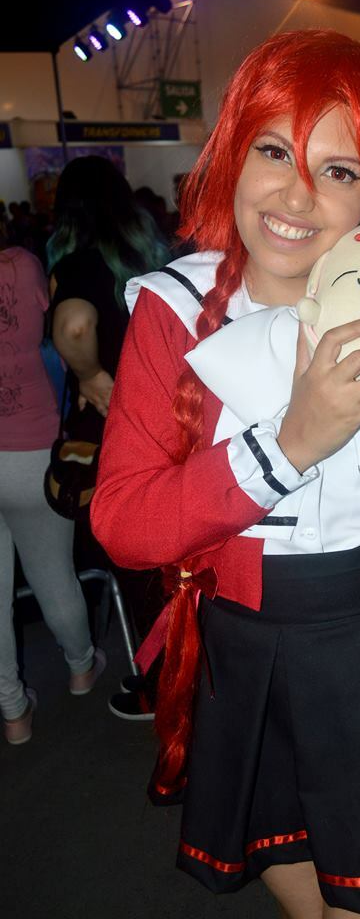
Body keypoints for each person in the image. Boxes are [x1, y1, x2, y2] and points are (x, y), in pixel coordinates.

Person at [91, 30, 360, 918]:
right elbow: (124, 523)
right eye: (273, 152)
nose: (295, 194)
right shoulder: (175, 309)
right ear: (230, 156)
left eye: (338, 169)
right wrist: (290, 444)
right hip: (249, 656)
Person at [49, 156, 169, 719]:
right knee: (174, 550)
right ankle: (188, 671)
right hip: (167, 415)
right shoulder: (155, 256)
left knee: (135, 555)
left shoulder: (79, 263)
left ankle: (163, 685)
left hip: (116, 428)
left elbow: (74, 325)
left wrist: (92, 375)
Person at [0, 241, 104, 746]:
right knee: (53, 573)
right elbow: (52, 326)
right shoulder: (20, 264)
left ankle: (13, 712)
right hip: (30, 449)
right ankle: (82, 667)